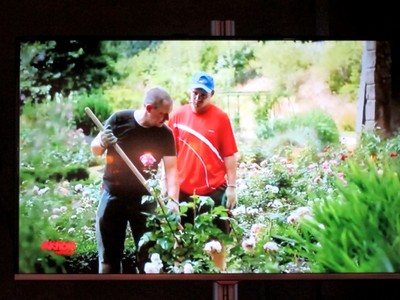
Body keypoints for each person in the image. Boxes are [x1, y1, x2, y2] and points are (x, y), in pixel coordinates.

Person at [90, 87, 179, 274]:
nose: (166, 120)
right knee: (108, 258)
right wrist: (102, 142)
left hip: (145, 201)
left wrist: (173, 202)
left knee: (149, 258)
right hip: (112, 197)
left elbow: (171, 171)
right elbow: (95, 149)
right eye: (163, 115)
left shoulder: (164, 134)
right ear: (148, 108)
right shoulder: (119, 120)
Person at [168, 72, 238, 271]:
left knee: (217, 240)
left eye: (203, 95)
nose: (197, 98)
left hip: (213, 189)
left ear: (212, 94)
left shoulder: (221, 118)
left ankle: (219, 276)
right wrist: (167, 187)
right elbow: (169, 156)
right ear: (189, 91)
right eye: (194, 93)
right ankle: (180, 276)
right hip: (183, 189)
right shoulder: (177, 116)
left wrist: (232, 187)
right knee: (180, 238)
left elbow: (230, 155)